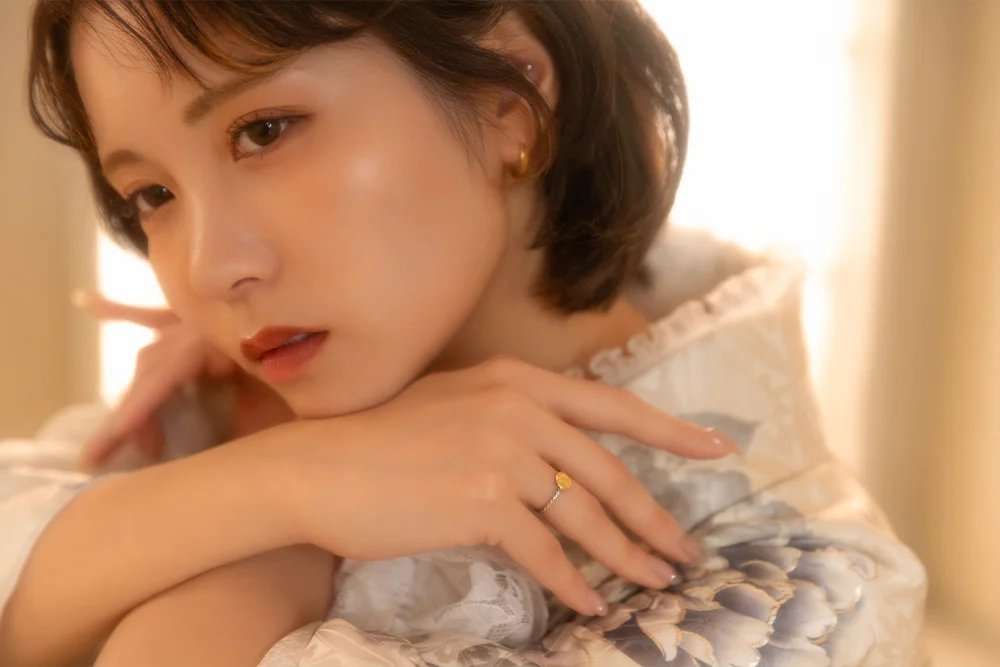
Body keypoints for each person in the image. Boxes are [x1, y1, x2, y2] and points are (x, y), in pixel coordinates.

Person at [0, 1, 927, 666]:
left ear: (508, 98)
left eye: (265, 130)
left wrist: (275, 532)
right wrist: (283, 479)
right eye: (153, 193)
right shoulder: (213, 411)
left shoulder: (808, 594)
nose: (208, 270)